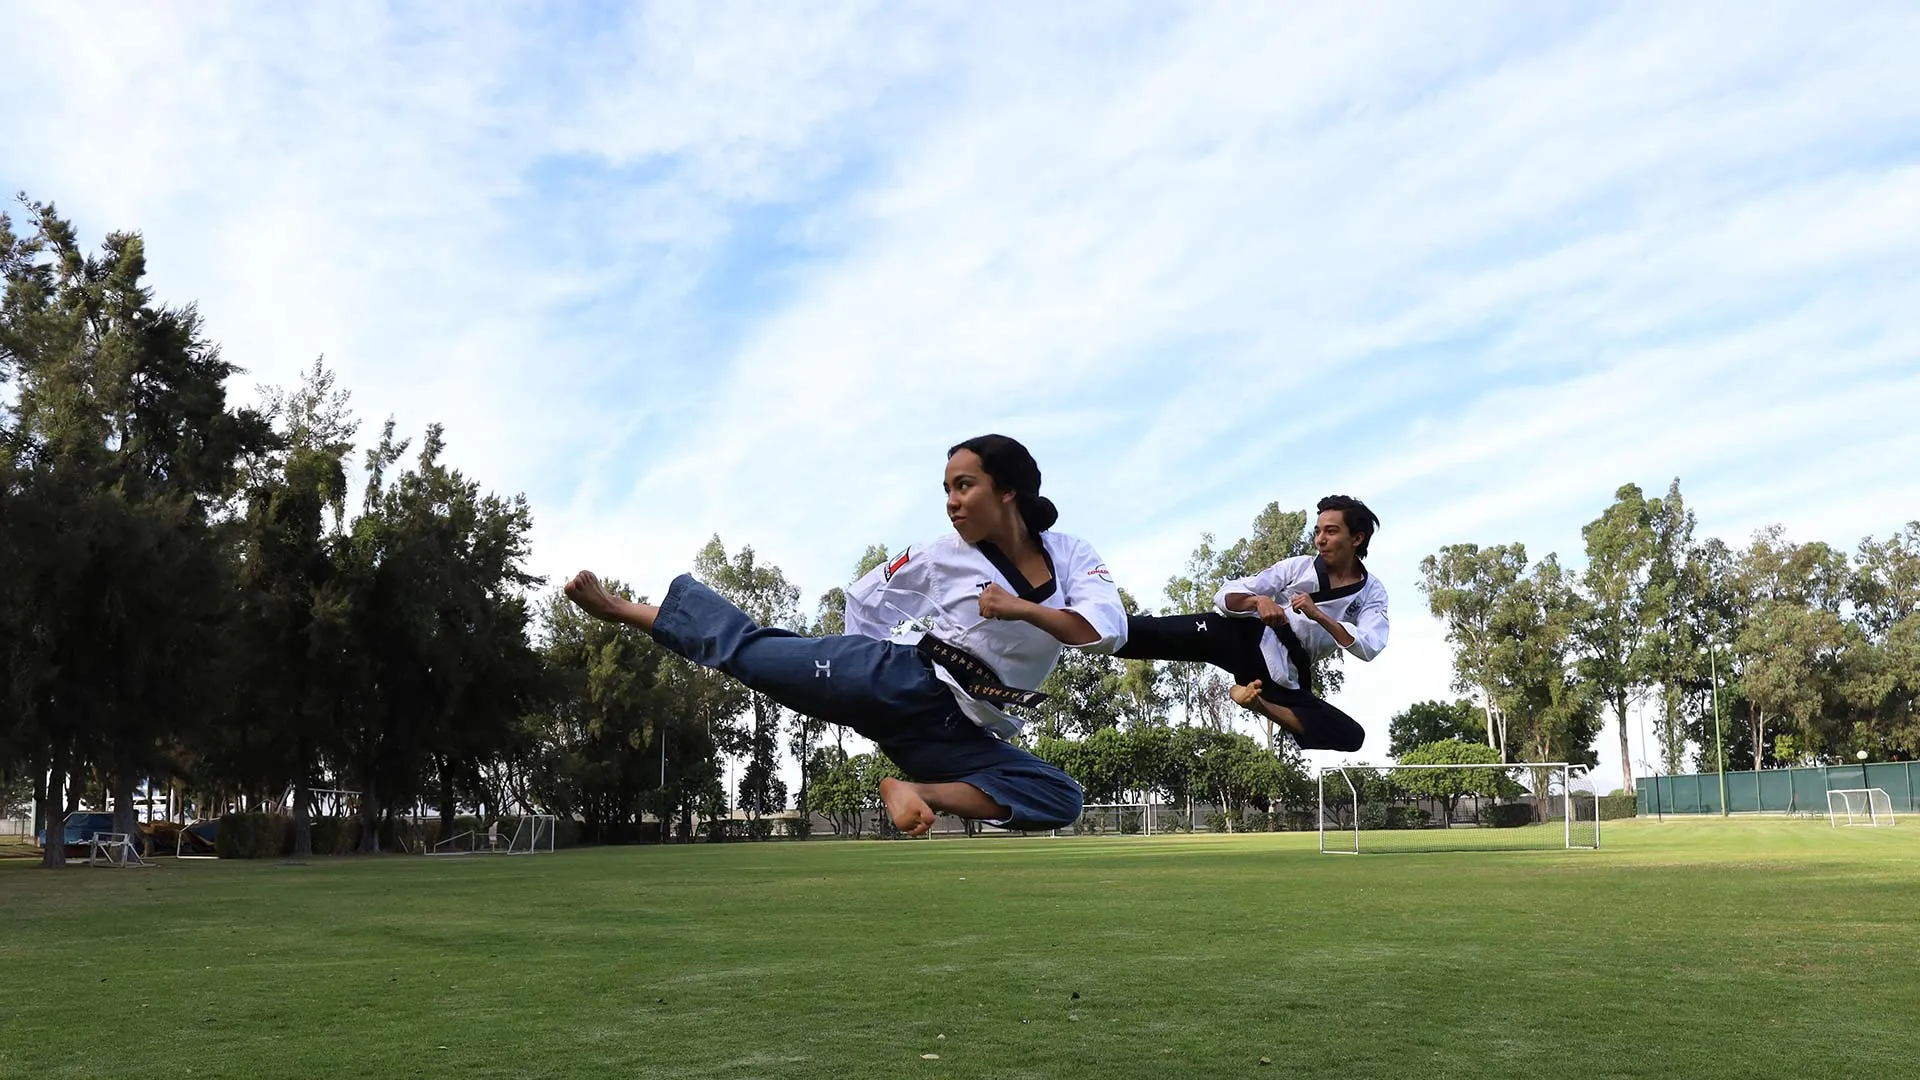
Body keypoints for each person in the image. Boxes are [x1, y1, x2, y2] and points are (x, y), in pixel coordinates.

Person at [563, 434, 1127, 836]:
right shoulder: (938, 553)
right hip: (899, 681)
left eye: (965, 485)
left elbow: (1100, 630)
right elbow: (865, 596)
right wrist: (862, 668)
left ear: (1007, 491)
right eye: (947, 488)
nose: (951, 501)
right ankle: (620, 607)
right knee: (752, 655)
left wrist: (1019, 610)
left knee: (1062, 797)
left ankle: (915, 790)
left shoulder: (1072, 555)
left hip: (958, 734)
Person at [1115, 496, 1387, 752]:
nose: (1320, 540)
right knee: (1149, 632)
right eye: (1317, 532)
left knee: (1351, 736)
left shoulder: (1371, 593)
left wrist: (1319, 616)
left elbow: (1370, 646)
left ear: (1357, 538)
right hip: (1245, 637)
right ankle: (1078, 626)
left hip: (1280, 676)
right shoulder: (1298, 567)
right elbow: (1225, 594)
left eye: (1330, 531)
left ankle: (1257, 703)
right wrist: (1257, 601)